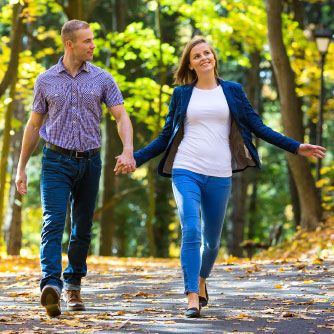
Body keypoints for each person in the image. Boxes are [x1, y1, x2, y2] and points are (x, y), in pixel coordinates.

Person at [115, 36, 326, 318]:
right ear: (190, 64)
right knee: (191, 230)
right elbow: (166, 137)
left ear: (214, 57)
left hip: (219, 173)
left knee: (212, 243)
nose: (203, 58)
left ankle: (202, 278)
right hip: (186, 168)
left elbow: (258, 126)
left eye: (207, 53)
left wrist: (296, 147)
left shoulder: (233, 91)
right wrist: (134, 157)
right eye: (197, 56)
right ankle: (191, 295)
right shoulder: (181, 95)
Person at [15, 20, 136, 317]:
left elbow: (121, 117)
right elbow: (33, 125)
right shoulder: (45, 80)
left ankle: (73, 285)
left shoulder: (102, 79)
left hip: (90, 161)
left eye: (93, 40)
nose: (93, 45)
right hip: (55, 160)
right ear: (70, 44)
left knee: (82, 228)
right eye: (88, 41)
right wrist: (20, 168)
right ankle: (51, 285)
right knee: (53, 222)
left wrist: (128, 150)